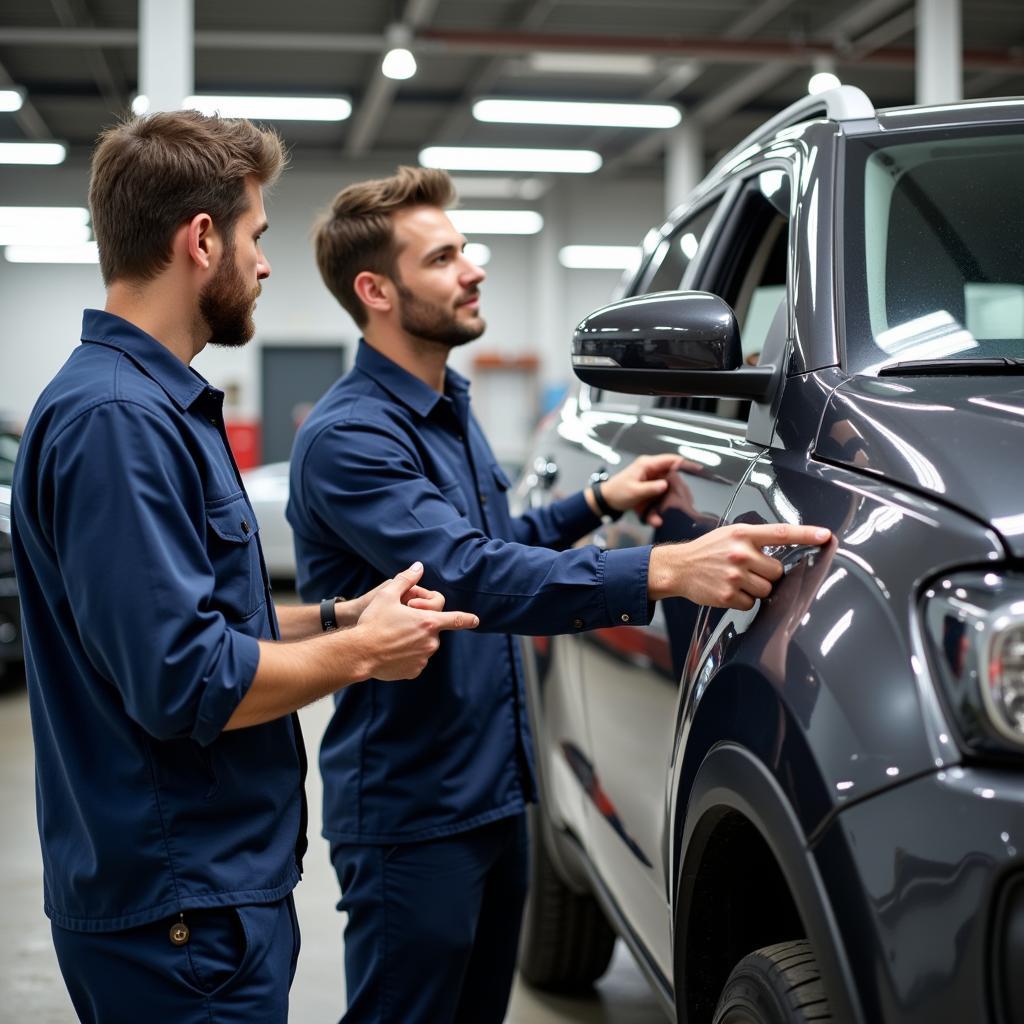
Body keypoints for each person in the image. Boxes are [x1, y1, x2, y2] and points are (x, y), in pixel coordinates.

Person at [286, 166, 831, 1024]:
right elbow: (468, 575)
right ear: (375, 290)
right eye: (442, 259)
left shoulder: (445, 404)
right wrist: (659, 571)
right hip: (414, 809)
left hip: (494, 789)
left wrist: (596, 503)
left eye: (465, 250)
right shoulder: (351, 439)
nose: (473, 269)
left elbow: (491, 543)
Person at [11, 116, 476, 1024]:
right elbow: (185, 682)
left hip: (202, 896)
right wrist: (364, 656)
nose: (265, 265)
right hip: (180, 912)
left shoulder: (152, 406)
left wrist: (341, 620)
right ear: (201, 239)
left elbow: (203, 626)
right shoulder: (118, 422)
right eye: (257, 237)